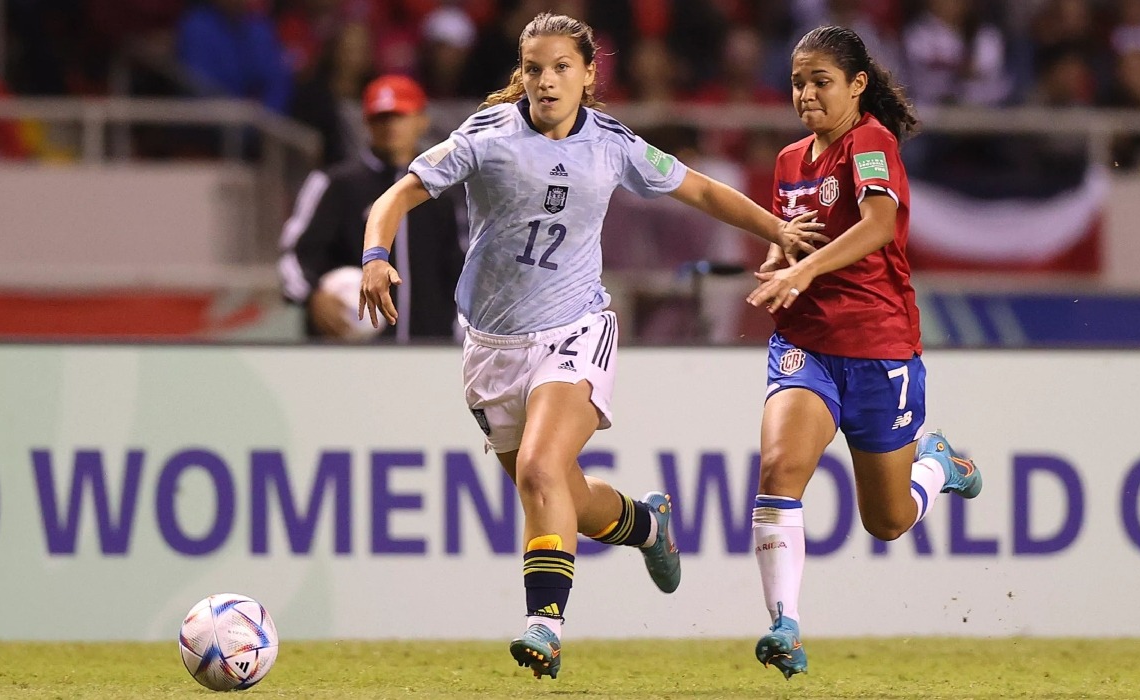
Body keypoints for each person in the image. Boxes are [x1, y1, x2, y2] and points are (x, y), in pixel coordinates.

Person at [358, 12, 820, 680]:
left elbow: (697, 187)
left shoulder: (611, 143)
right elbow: (395, 197)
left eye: (561, 68)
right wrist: (375, 255)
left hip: (574, 331)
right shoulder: (487, 135)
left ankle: (544, 626)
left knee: (540, 468)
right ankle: (646, 525)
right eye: (535, 69)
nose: (547, 82)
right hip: (489, 345)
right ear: (522, 74)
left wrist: (776, 229)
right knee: (562, 493)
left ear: (588, 74)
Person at [744, 25, 984, 679]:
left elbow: (878, 225)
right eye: (798, 82)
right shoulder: (789, 160)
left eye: (820, 81)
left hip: (880, 347)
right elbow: (788, 238)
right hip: (806, 344)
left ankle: (938, 465)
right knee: (779, 468)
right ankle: (785, 625)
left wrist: (804, 269)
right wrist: (779, 259)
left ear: (856, 85)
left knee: (888, 520)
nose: (806, 94)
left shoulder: (871, 142)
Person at [279, 74, 463, 342]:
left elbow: (462, 270)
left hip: (428, 349)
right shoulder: (334, 184)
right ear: (366, 122)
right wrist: (311, 296)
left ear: (422, 120)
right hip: (348, 351)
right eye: (380, 117)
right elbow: (294, 255)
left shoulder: (443, 193)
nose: (390, 126)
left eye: (399, 115)